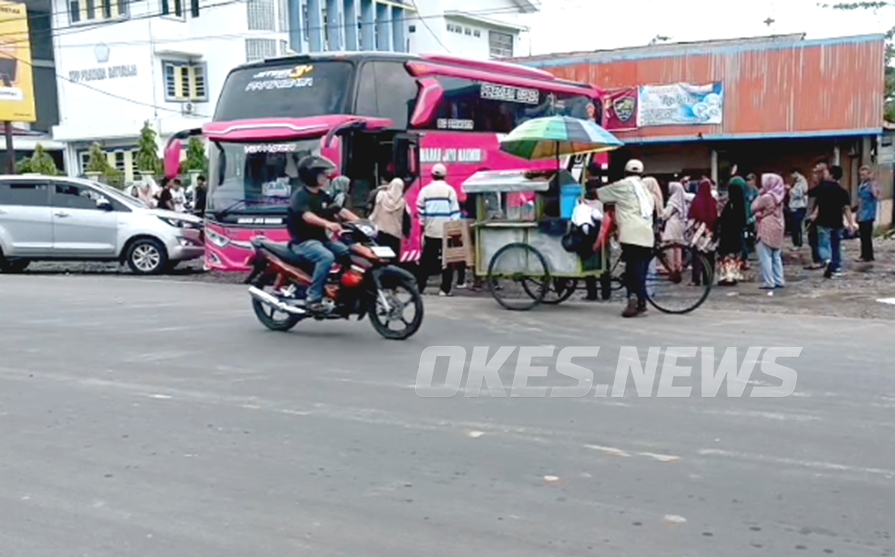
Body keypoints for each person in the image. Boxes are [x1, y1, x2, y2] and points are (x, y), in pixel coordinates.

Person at [287, 155, 360, 314]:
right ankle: (313, 297)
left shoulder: (323, 195)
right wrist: (327, 224)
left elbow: (340, 210)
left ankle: (341, 291)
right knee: (326, 257)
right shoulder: (300, 196)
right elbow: (306, 216)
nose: (326, 176)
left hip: (321, 240)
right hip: (303, 242)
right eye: (321, 173)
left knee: (346, 252)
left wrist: (362, 222)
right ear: (311, 175)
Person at [597, 159, 655, 318]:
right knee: (639, 270)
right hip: (647, 235)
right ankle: (640, 302)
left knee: (632, 271)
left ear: (625, 172)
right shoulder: (645, 189)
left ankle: (635, 301)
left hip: (631, 235)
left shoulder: (622, 186)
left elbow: (599, 194)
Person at [416, 163, 461, 297]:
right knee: (446, 261)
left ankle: (420, 287)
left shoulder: (425, 191)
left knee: (426, 261)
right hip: (446, 231)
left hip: (431, 231)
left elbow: (420, 209)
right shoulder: (450, 191)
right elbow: (455, 213)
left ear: (432, 175)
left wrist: (424, 222)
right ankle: (445, 289)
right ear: (444, 176)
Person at [808, 161, 856, 279]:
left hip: (823, 221)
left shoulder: (822, 187)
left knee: (823, 244)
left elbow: (809, 193)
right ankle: (836, 267)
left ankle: (827, 260)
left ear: (830, 174)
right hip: (837, 222)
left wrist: (815, 177)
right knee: (836, 245)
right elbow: (846, 208)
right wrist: (850, 223)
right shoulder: (842, 191)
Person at [752, 174, 787, 289]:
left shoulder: (766, 197)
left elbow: (753, 207)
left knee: (765, 255)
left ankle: (769, 281)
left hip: (766, 226)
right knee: (776, 255)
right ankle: (779, 279)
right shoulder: (780, 196)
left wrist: (759, 194)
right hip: (778, 225)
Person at [716, 177, 747, 285]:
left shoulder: (730, 205)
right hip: (736, 234)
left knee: (726, 256)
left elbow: (723, 219)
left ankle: (727, 276)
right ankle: (733, 275)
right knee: (734, 256)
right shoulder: (741, 204)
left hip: (727, 234)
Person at [688, 178, 718, 286]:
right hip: (709, 231)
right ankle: (708, 278)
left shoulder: (696, 200)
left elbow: (691, 215)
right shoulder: (712, 201)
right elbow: (715, 216)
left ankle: (696, 279)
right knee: (710, 256)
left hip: (698, 231)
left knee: (697, 256)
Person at [369, 177, 407, 256]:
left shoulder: (381, 195)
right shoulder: (402, 202)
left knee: (380, 255)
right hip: (395, 234)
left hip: (380, 231)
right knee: (393, 256)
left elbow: (372, 198)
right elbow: (406, 219)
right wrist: (406, 233)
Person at [661, 181, 688, 281]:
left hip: (672, 224)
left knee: (669, 246)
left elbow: (666, 214)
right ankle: (678, 267)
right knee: (678, 247)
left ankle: (671, 268)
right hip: (681, 224)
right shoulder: (683, 200)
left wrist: (660, 212)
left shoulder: (673, 201)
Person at [856, 165, 880, 262]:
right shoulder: (862, 185)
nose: (862, 177)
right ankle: (864, 254)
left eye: (864, 175)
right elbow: (860, 200)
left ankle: (868, 255)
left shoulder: (871, 185)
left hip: (869, 213)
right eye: (861, 175)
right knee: (862, 236)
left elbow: (876, 194)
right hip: (862, 213)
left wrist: (872, 181)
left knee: (866, 236)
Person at [787, 169, 809, 248]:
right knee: (794, 226)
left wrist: (790, 190)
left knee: (796, 226)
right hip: (794, 206)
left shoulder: (802, 182)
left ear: (796, 173)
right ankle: (796, 243)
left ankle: (797, 243)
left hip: (799, 206)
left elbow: (799, 194)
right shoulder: (797, 182)